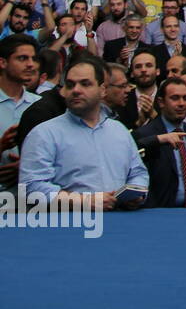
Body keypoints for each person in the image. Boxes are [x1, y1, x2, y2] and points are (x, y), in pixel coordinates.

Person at [19, 57, 148, 209]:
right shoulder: (44, 134)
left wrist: (136, 193)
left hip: (119, 224)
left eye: (85, 84)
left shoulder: (119, 131)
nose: (76, 90)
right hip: (67, 226)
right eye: (70, 84)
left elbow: (138, 173)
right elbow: (31, 188)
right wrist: (84, 201)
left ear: (102, 90)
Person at [135, 76, 186, 208]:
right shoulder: (147, 134)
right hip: (162, 214)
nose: (182, 103)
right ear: (161, 102)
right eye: (175, 98)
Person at [0, 34, 41, 190]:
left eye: (33, 59)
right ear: (3, 62)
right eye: (22, 58)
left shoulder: (40, 105)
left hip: (33, 202)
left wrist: (26, 167)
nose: (31, 64)